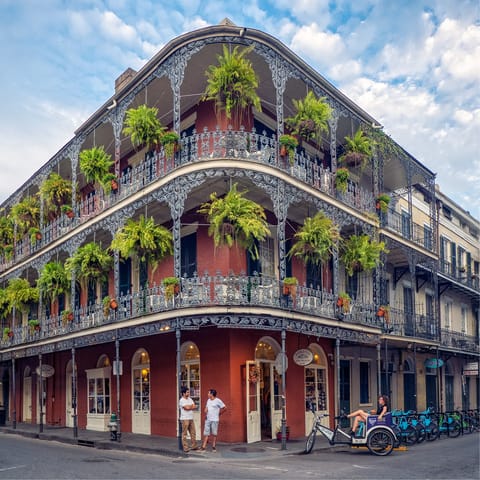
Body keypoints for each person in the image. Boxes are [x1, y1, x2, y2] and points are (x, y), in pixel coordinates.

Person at [179, 386, 198, 452]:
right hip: (184, 419)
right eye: (187, 392)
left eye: (188, 392)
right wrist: (190, 407)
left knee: (193, 432)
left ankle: (194, 446)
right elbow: (186, 408)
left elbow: (194, 406)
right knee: (184, 434)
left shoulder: (190, 399)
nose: (188, 393)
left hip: (191, 418)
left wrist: (189, 407)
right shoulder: (181, 400)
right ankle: (185, 447)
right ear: (184, 393)